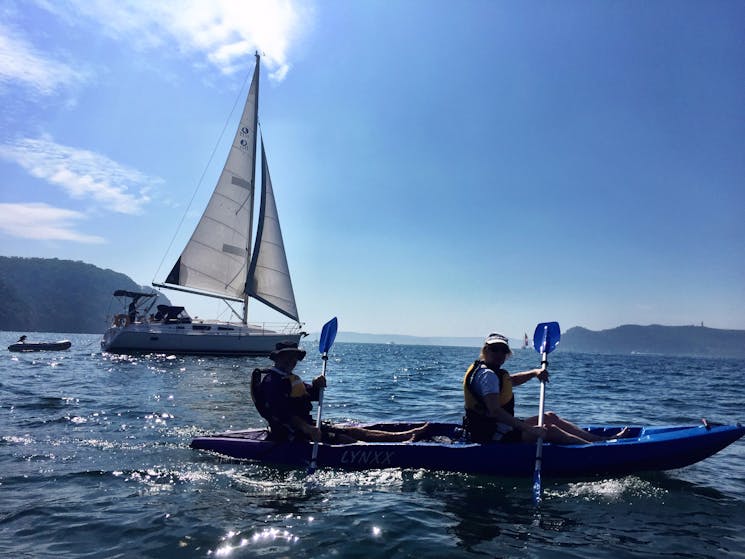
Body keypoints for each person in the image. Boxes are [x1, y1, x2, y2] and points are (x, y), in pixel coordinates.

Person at [463, 333, 629, 444]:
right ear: (485, 350)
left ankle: (600, 440)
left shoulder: (492, 372)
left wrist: (535, 372)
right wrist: (528, 429)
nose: (499, 353)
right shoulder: (488, 375)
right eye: (494, 349)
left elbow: (511, 381)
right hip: (491, 436)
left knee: (550, 417)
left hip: (500, 428)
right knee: (549, 430)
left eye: (503, 350)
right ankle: (594, 449)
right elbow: (495, 412)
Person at [251, 341, 431, 444]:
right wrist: (306, 428)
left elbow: (310, 396)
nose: (292, 361)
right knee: (347, 439)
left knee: (353, 430)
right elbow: (281, 412)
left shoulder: (289, 377)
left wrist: (316, 386)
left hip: (307, 426)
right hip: (290, 433)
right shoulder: (272, 382)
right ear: (278, 358)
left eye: (294, 358)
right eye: (288, 357)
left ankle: (405, 436)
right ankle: (400, 443)